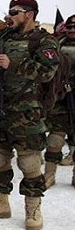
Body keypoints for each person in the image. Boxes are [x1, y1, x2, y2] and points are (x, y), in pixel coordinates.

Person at [0, 0, 61, 230]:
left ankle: (33, 210)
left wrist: (13, 64)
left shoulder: (43, 40)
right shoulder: (4, 37)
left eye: (15, 12)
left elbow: (47, 72)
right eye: (9, 11)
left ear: (30, 14)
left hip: (28, 113)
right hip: (1, 111)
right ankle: (0, 204)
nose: (10, 15)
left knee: (29, 162)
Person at [44, 14, 75, 187]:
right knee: (54, 140)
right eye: (69, 27)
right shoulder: (58, 44)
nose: (72, 30)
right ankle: (49, 175)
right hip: (61, 98)